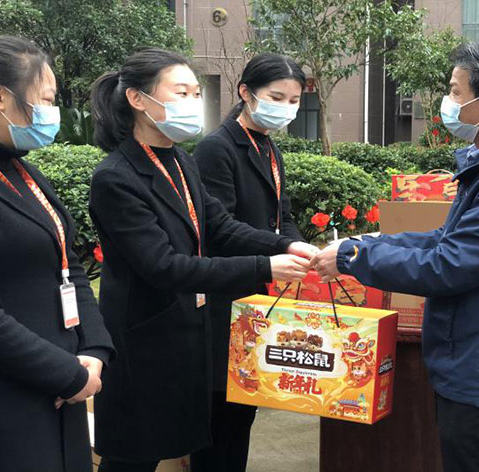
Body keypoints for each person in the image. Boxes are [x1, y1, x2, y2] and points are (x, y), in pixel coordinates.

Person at [312, 41, 479, 472]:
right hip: (478, 357)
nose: (447, 102)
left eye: (455, 91)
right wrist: (373, 242)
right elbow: (447, 240)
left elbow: (448, 266)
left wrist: (353, 258)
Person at [88, 48, 314, 471]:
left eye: (196, 93)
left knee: (192, 440)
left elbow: (220, 227)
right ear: (137, 99)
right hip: (143, 339)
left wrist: (286, 247)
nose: (193, 102)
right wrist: (264, 266)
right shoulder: (116, 177)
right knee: (133, 455)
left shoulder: (179, 161)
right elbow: (163, 265)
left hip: (184, 333)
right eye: (181, 93)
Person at [191, 53, 316, 471]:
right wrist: (283, 247)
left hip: (257, 295)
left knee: (244, 409)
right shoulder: (216, 148)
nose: (287, 108)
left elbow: (284, 216)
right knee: (220, 418)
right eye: (276, 97)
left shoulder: (269, 147)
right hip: (224, 298)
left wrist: (301, 248)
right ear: (245, 92)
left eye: (294, 101)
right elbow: (220, 228)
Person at [0, 35, 114, 472]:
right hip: (17, 395)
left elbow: (69, 264)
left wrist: (95, 350)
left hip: (66, 381)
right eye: (46, 100)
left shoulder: (23, 170)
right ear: (0, 98)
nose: (52, 112)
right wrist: (64, 373)